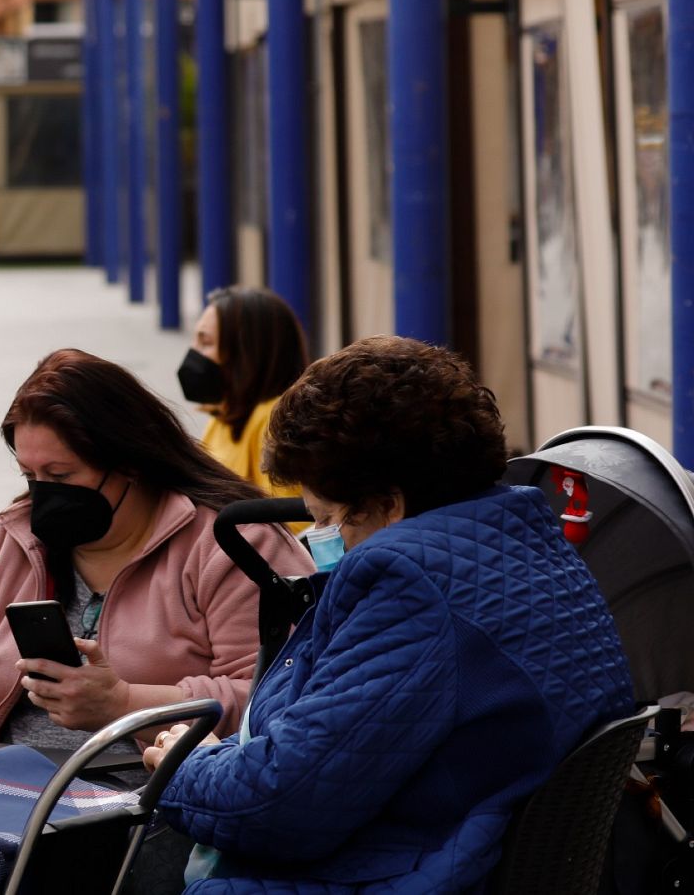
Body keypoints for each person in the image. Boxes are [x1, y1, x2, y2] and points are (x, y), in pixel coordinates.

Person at [145, 336, 635, 893]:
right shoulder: (524, 543)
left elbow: (278, 805)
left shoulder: (411, 584)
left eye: (328, 519)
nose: (324, 539)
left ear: (387, 504)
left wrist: (183, 765)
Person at [0, 348, 313, 755]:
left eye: (60, 476)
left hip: (155, 806)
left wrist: (124, 704)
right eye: (30, 476)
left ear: (131, 462)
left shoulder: (235, 546)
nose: (42, 494)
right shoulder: (1, 544)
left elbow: (282, 699)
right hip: (6, 795)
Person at [178, 286, 309, 500]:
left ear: (246, 352)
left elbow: (288, 514)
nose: (194, 353)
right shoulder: (224, 413)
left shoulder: (273, 422)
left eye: (206, 342)